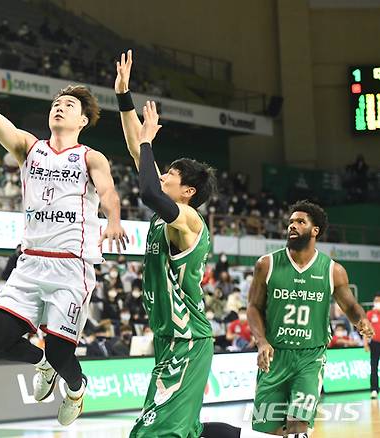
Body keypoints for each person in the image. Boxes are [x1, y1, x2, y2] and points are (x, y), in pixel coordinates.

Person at [0, 40, 127, 426]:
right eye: (56, 102)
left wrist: (113, 219)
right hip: (30, 264)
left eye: (69, 105)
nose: (59, 106)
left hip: (71, 269)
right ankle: (41, 363)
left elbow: (107, 191)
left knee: (62, 353)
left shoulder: (90, 156)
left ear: (83, 121)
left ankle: (75, 388)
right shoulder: (30, 147)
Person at [116, 50, 266, 438]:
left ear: (187, 190)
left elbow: (148, 188)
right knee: (186, 430)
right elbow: (138, 151)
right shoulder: (173, 210)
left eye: (170, 174)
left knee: (154, 433)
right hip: (170, 338)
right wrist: (123, 97)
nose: (161, 176)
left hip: (187, 339)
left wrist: (149, 141)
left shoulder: (187, 219)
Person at [248, 200, 374, 437]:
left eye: (300, 222)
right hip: (275, 356)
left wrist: (361, 320)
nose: (292, 226)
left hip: (310, 358)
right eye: (291, 222)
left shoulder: (332, 269)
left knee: (299, 428)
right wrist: (261, 340)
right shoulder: (267, 264)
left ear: (315, 230)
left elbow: (349, 305)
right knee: (268, 432)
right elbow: (253, 306)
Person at [365, 294, 380, 399]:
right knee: (373, 367)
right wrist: (365, 343)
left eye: (379, 300)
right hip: (374, 343)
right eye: (376, 300)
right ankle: (374, 389)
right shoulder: (370, 314)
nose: (377, 302)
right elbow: (366, 329)